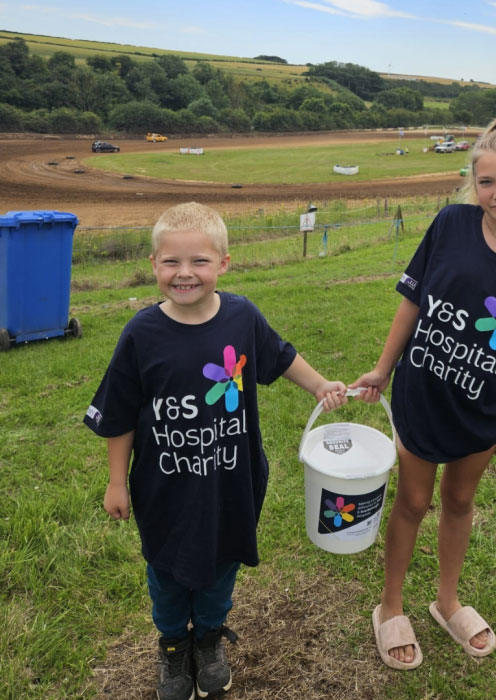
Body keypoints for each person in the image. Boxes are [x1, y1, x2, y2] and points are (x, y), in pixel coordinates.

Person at [84, 202, 347, 700]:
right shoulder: (141, 334)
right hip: (164, 490)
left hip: (232, 482)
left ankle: (208, 639)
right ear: (153, 263)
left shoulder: (242, 318)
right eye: (171, 262)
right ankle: (171, 647)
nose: (185, 274)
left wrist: (318, 386)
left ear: (223, 263)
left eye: (199, 261)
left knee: (220, 568)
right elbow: (118, 415)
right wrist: (117, 481)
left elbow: (281, 355)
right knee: (166, 574)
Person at [351, 116, 496, 669]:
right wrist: (382, 369)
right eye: (487, 181)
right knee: (414, 501)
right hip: (423, 395)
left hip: (485, 407)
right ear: (473, 182)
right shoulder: (450, 224)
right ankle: (390, 606)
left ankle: (447, 601)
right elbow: (412, 303)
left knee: (460, 501)